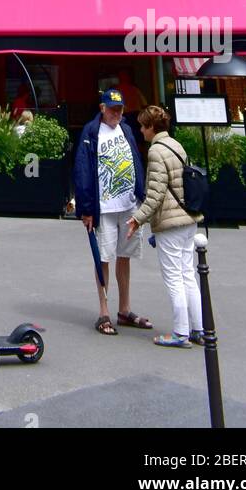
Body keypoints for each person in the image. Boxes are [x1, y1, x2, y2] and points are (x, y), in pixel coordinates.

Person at [73, 87, 152, 336]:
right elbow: (83, 169)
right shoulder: (91, 131)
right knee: (104, 257)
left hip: (128, 205)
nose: (116, 113)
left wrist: (140, 194)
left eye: (120, 109)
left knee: (124, 256)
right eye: (112, 109)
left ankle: (124, 309)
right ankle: (104, 310)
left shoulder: (126, 129)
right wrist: (86, 209)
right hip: (104, 208)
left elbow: (136, 160)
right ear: (102, 108)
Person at [126, 106, 204, 348]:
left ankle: (180, 332)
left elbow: (156, 194)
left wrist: (138, 219)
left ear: (151, 127)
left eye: (142, 125)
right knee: (188, 275)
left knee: (173, 279)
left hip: (170, 223)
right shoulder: (176, 145)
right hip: (188, 218)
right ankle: (198, 328)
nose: (140, 130)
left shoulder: (156, 152)